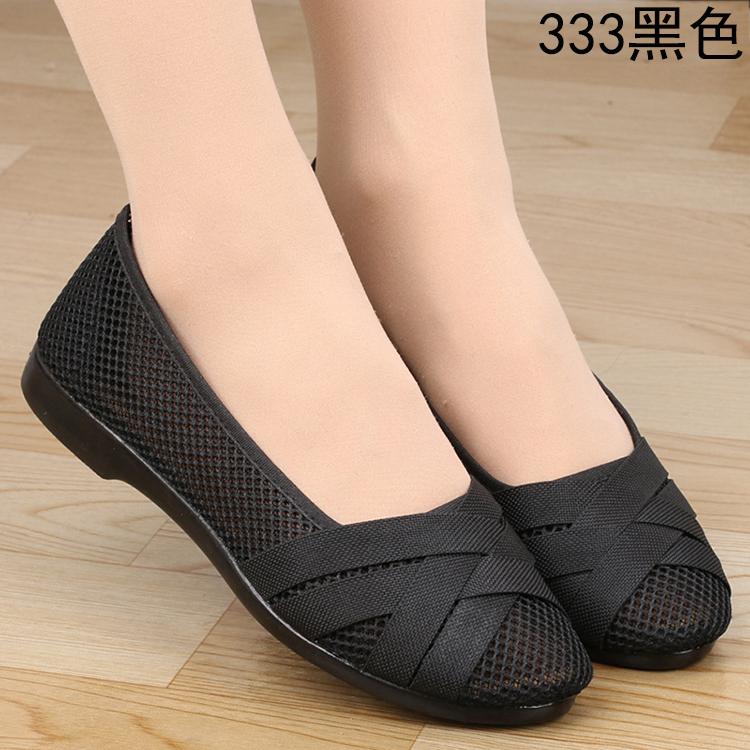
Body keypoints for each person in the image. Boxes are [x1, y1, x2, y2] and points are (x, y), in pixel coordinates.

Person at [26, 0, 728, 722]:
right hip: (218, 271)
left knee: (422, 148)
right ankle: (228, 252)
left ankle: (409, 204)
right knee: (217, 171)